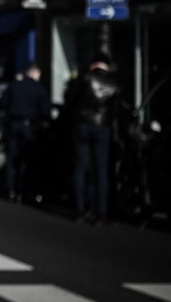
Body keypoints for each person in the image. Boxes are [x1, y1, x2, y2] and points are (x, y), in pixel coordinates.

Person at [66, 52, 121, 225]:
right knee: (101, 171)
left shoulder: (85, 78)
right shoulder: (114, 84)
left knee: (80, 168)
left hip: (81, 125)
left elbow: (70, 101)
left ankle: (80, 210)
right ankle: (101, 212)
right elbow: (115, 111)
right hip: (102, 127)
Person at [2, 62, 51, 202]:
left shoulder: (15, 85)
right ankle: (20, 191)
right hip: (29, 127)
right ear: (36, 74)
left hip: (13, 124)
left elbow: (3, 102)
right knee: (25, 159)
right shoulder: (40, 89)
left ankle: (9, 189)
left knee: (11, 158)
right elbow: (45, 112)